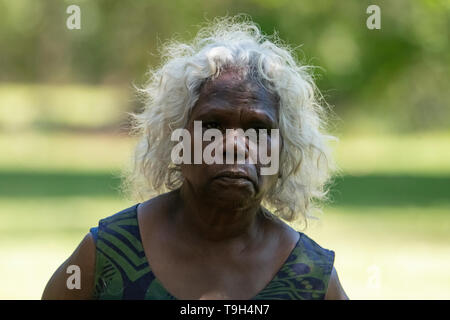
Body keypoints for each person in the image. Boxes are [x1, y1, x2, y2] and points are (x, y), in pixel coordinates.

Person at [42, 16, 348, 300]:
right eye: (212, 125)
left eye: (258, 128)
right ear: (177, 142)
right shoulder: (107, 254)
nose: (235, 145)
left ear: (285, 151)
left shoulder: (311, 278)